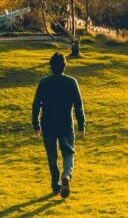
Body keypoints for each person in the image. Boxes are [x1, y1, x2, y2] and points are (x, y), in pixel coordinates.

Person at [31, 52, 86, 199]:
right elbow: (79, 106)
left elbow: (36, 105)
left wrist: (36, 125)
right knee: (68, 153)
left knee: (52, 157)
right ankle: (66, 176)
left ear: (51, 66)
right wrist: (81, 126)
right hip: (65, 126)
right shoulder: (71, 82)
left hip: (48, 126)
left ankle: (55, 186)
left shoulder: (43, 82)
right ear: (64, 66)